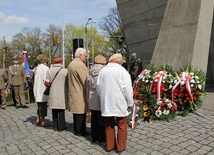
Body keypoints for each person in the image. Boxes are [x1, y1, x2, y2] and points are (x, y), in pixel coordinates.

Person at [97, 53, 133, 153]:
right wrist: (130, 103)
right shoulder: (122, 71)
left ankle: (109, 146)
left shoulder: (103, 71)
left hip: (106, 102)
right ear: (119, 61)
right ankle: (120, 147)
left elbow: (98, 88)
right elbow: (128, 89)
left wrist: (102, 98)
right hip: (119, 102)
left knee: (108, 125)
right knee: (122, 124)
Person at [68, 47, 89, 136]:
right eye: (85, 56)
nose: (86, 58)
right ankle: (80, 130)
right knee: (80, 112)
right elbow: (86, 80)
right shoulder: (80, 65)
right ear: (80, 55)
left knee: (76, 112)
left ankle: (77, 129)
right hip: (79, 91)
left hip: (74, 90)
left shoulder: (71, 64)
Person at [86, 55, 106, 143]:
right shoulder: (104, 71)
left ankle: (94, 136)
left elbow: (87, 84)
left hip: (92, 96)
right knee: (102, 118)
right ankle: (102, 136)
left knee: (94, 117)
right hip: (100, 97)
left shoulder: (90, 71)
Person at [45, 57, 68, 132]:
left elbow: (47, 82)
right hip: (62, 92)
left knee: (54, 110)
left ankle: (55, 126)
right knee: (61, 110)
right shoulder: (65, 71)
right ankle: (61, 126)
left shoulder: (49, 71)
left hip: (53, 92)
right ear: (61, 62)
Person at [33, 54, 49, 127]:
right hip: (42, 88)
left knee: (39, 104)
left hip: (36, 87)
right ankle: (43, 121)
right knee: (43, 105)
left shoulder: (36, 68)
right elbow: (46, 79)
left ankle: (38, 118)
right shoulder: (45, 68)